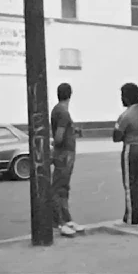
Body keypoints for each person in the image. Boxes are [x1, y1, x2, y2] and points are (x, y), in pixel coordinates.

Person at [50, 83, 84, 237]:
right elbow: (58, 136)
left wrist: (73, 130)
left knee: (63, 188)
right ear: (70, 94)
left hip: (65, 154)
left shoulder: (60, 111)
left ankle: (66, 219)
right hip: (64, 154)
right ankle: (59, 222)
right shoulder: (63, 112)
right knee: (59, 189)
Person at [113, 83, 138, 226]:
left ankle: (131, 217)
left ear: (127, 97)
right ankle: (135, 213)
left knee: (129, 184)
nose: (121, 99)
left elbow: (116, 137)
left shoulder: (126, 115)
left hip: (131, 149)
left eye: (122, 96)